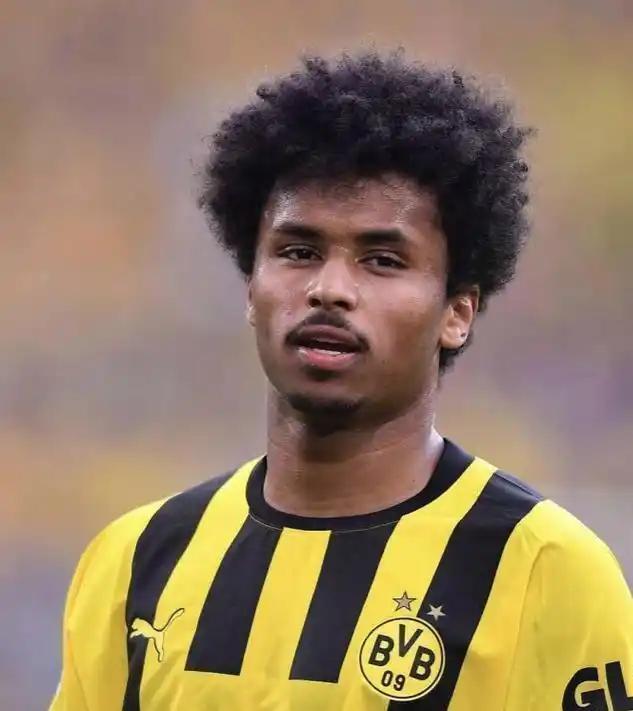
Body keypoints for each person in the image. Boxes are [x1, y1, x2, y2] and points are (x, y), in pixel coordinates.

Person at [50, 50, 632, 711]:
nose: (329, 289)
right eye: (298, 252)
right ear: (251, 288)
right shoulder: (135, 561)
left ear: (456, 312)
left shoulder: (544, 570)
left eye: (382, 260)